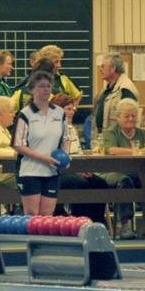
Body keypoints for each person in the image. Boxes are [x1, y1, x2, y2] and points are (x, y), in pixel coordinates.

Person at [102, 98, 145, 239]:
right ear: (118, 117)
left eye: (133, 116)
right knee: (125, 181)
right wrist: (137, 151)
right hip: (115, 172)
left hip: (140, 172)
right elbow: (112, 150)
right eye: (126, 116)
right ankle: (125, 223)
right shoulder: (110, 132)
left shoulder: (142, 133)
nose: (130, 119)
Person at [12, 70, 68, 216]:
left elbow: (65, 139)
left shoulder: (60, 113)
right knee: (32, 214)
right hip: (30, 171)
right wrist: (44, 158)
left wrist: (66, 157)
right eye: (41, 86)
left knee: (47, 214)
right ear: (32, 89)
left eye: (48, 86)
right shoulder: (25, 114)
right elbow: (18, 145)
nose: (46, 89)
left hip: (52, 171)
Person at [50, 93, 108, 224]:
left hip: (77, 169)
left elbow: (78, 153)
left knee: (100, 183)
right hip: (60, 173)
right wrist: (75, 170)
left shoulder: (71, 129)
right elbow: (56, 158)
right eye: (68, 109)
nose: (73, 112)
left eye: (73, 109)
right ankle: (80, 223)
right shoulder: (52, 131)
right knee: (81, 184)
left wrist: (85, 169)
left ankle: (97, 222)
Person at [93, 52, 139, 134]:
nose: (100, 69)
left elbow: (129, 121)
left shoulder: (125, 89)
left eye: (103, 66)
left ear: (113, 69)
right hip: (105, 136)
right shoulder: (107, 89)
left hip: (118, 138)